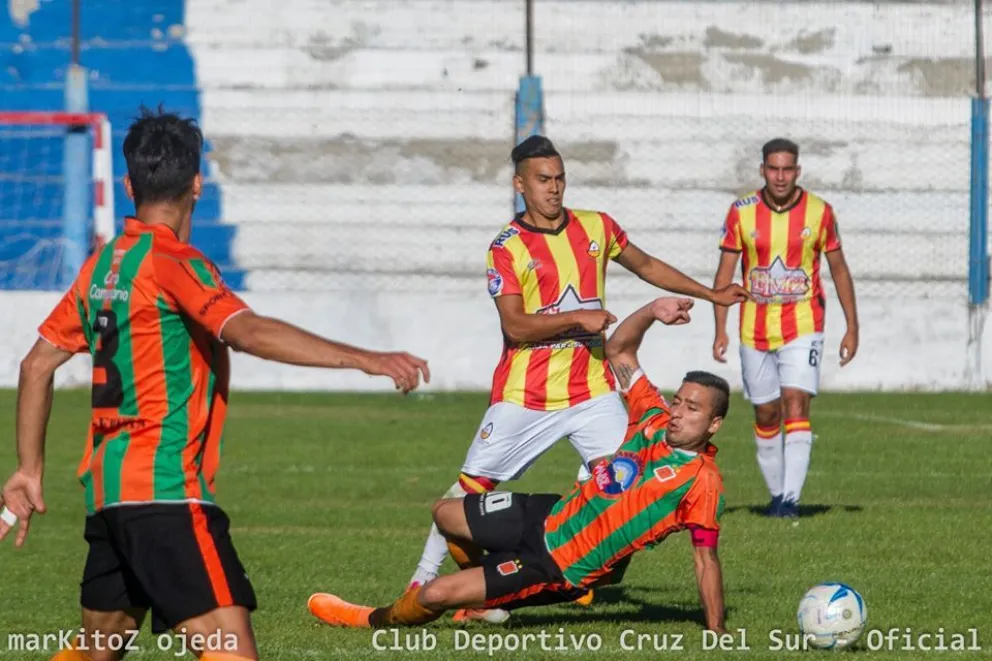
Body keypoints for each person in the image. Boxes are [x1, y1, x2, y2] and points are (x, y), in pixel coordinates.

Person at [0, 108, 430, 661]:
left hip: (108, 493)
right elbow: (246, 331)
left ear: (129, 185)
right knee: (232, 650)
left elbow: (36, 365)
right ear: (197, 184)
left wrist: (29, 470)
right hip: (164, 493)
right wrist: (365, 358)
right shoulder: (175, 262)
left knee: (95, 650)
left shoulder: (102, 267)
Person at [397, 135, 747, 623]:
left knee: (623, 490)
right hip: (526, 395)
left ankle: (570, 580)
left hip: (592, 393)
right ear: (520, 185)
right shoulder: (506, 247)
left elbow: (645, 265)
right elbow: (516, 326)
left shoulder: (596, 227)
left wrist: (711, 294)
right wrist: (577, 318)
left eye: (560, 178)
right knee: (465, 493)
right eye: (543, 180)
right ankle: (423, 581)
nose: (555, 188)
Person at [309, 296, 729, 634]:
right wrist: (652, 310)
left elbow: (705, 560)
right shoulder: (652, 417)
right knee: (445, 513)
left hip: (558, 565)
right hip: (549, 514)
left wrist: (716, 631)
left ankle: (370, 619)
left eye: (692, 409)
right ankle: (484, 600)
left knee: (435, 595)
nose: (678, 412)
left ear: (714, 424)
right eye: (678, 401)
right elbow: (619, 348)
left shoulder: (701, 482)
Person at [712, 137, 859, 519]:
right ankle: (777, 495)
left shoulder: (819, 212)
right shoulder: (741, 212)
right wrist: (720, 328)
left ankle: (790, 501)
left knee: (796, 402)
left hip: (804, 323)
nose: (780, 177)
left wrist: (852, 326)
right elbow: (725, 274)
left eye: (787, 169)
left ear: (798, 171)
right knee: (766, 413)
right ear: (763, 170)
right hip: (754, 327)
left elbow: (839, 269)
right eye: (774, 169)